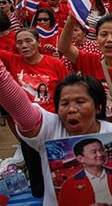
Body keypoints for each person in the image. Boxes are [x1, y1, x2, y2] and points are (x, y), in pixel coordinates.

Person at [0, 68, 112, 205]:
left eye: (80, 102)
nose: (71, 109)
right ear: (79, 158)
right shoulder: (50, 129)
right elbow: (19, 108)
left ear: (98, 107)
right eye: (64, 103)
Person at [0, 28, 69, 198]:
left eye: (28, 41)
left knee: (62, 178)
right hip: (29, 130)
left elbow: (68, 91)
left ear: (39, 43)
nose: (24, 45)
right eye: (20, 42)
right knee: (39, 188)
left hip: (54, 126)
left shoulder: (55, 64)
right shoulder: (13, 61)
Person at [59, 138, 112, 205]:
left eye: (101, 150)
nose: (100, 154)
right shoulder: (69, 185)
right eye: (94, 152)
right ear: (80, 158)